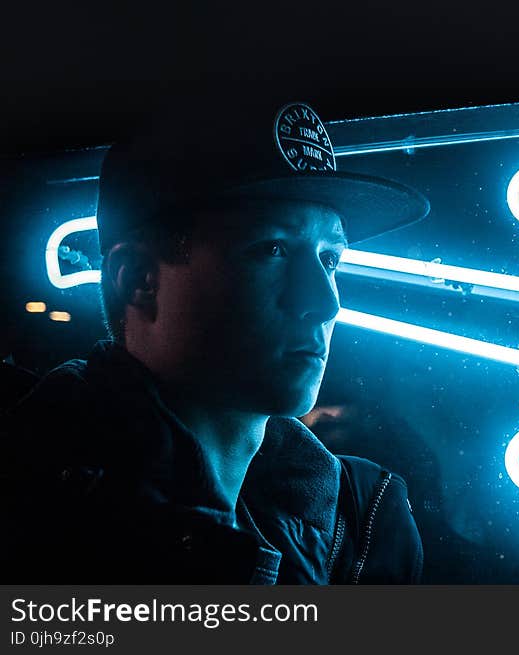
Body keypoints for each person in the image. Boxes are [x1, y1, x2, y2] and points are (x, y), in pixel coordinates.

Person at [0, 94, 430, 584]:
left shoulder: (361, 523)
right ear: (140, 279)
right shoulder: (34, 511)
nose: (325, 302)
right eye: (272, 250)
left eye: (330, 258)